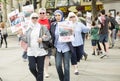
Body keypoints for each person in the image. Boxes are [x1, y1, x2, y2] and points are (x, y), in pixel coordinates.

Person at [17, 13, 51, 81]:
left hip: (40, 51)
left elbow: (49, 37)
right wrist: (21, 35)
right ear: (31, 19)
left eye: (36, 18)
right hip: (31, 51)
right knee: (31, 67)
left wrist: (42, 39)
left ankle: (39, 79)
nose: (35, 19)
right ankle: (38, 78)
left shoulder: (42, 27)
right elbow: (26, 40)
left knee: (40, 69)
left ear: (38, 18)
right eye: (33, 18)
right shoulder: (28, 28)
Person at [50, 10, 71, 81]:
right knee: (58, 65)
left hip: (66, 48)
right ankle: (62, 79)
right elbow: (51, 35)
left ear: (62, 16)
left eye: (59, 15)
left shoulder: (66, 24)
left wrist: (71, 33)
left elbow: (71, 35)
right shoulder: (53, 25)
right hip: (57, 47)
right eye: (56, 15)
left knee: (66, 66)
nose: (57, 17)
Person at [38, 8, 51, 78]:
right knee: (40, 57)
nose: (42, 14)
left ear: (45, 13)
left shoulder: (49, 21)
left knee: (47, 57)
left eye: (43, 13)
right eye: (40, 13)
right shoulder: (36, 21)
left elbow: (51, 31)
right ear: (38, 14)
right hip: (39, 42)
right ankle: (41, 70)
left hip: (47, 42)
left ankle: (46, 71)